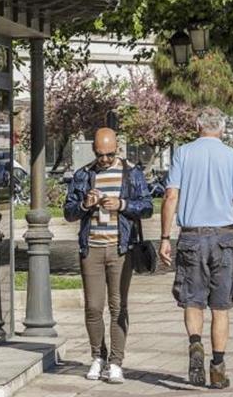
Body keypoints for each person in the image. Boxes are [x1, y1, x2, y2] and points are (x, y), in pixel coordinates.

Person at [157, 107, 233, 389]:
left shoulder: (183, 153)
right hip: (223, 238)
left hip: (191, 237)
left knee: (192, 299)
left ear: (198, 126)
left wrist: (165, 237)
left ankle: (195, 344)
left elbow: (171, 195)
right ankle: (218, 366)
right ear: (221, 128)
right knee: (221, 307)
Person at [63, 127, 153, 384]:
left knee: (118, 306)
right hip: (91, 247)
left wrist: (122, 205)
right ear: (94, 150)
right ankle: (97, 357)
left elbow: (147, 207)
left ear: (118, 149)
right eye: (100, 154)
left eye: (109, 154)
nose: (104, 159)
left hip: (120, 248)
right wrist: (84, 205)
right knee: (93, 307)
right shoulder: (83, 175)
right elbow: (69, 212)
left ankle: (115, 362)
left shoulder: (131, 173)